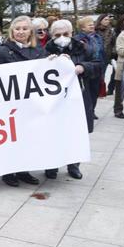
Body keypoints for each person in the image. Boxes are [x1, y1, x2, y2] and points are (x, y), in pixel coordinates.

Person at [0, 15, 48, 187]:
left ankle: (24, 170)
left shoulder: (39, 51)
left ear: (30, 31)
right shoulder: (3, 51)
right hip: (11, 104)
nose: (21, 32)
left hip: (31, 103)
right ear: (12, 31)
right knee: (11, 138)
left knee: (28, 137)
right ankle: (8, 172)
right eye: (17, 29)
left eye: (24, 29)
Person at [43, 20, 101, 180]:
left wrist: (82, 67)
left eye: (65, 34)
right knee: (52, 133)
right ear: (52, 36)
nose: (62, 37)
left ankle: (74, 165)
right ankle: (51, 165)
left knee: (76, 132)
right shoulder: (45, 50)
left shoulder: (83, 47)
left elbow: (97, 65)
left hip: (78, 97)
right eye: (57, 35)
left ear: (71, 33)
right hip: (54, 100)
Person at [74, 16, 104, 120]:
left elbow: (101, 51)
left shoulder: (97, 37)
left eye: (92, 23)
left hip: (97, 66)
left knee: (95, 91)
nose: (92, 25)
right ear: (82, 28)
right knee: (87, 91)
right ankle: (86, 111)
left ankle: (92, 111)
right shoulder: (78, 39)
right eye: (89, 24)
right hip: (86, 68)